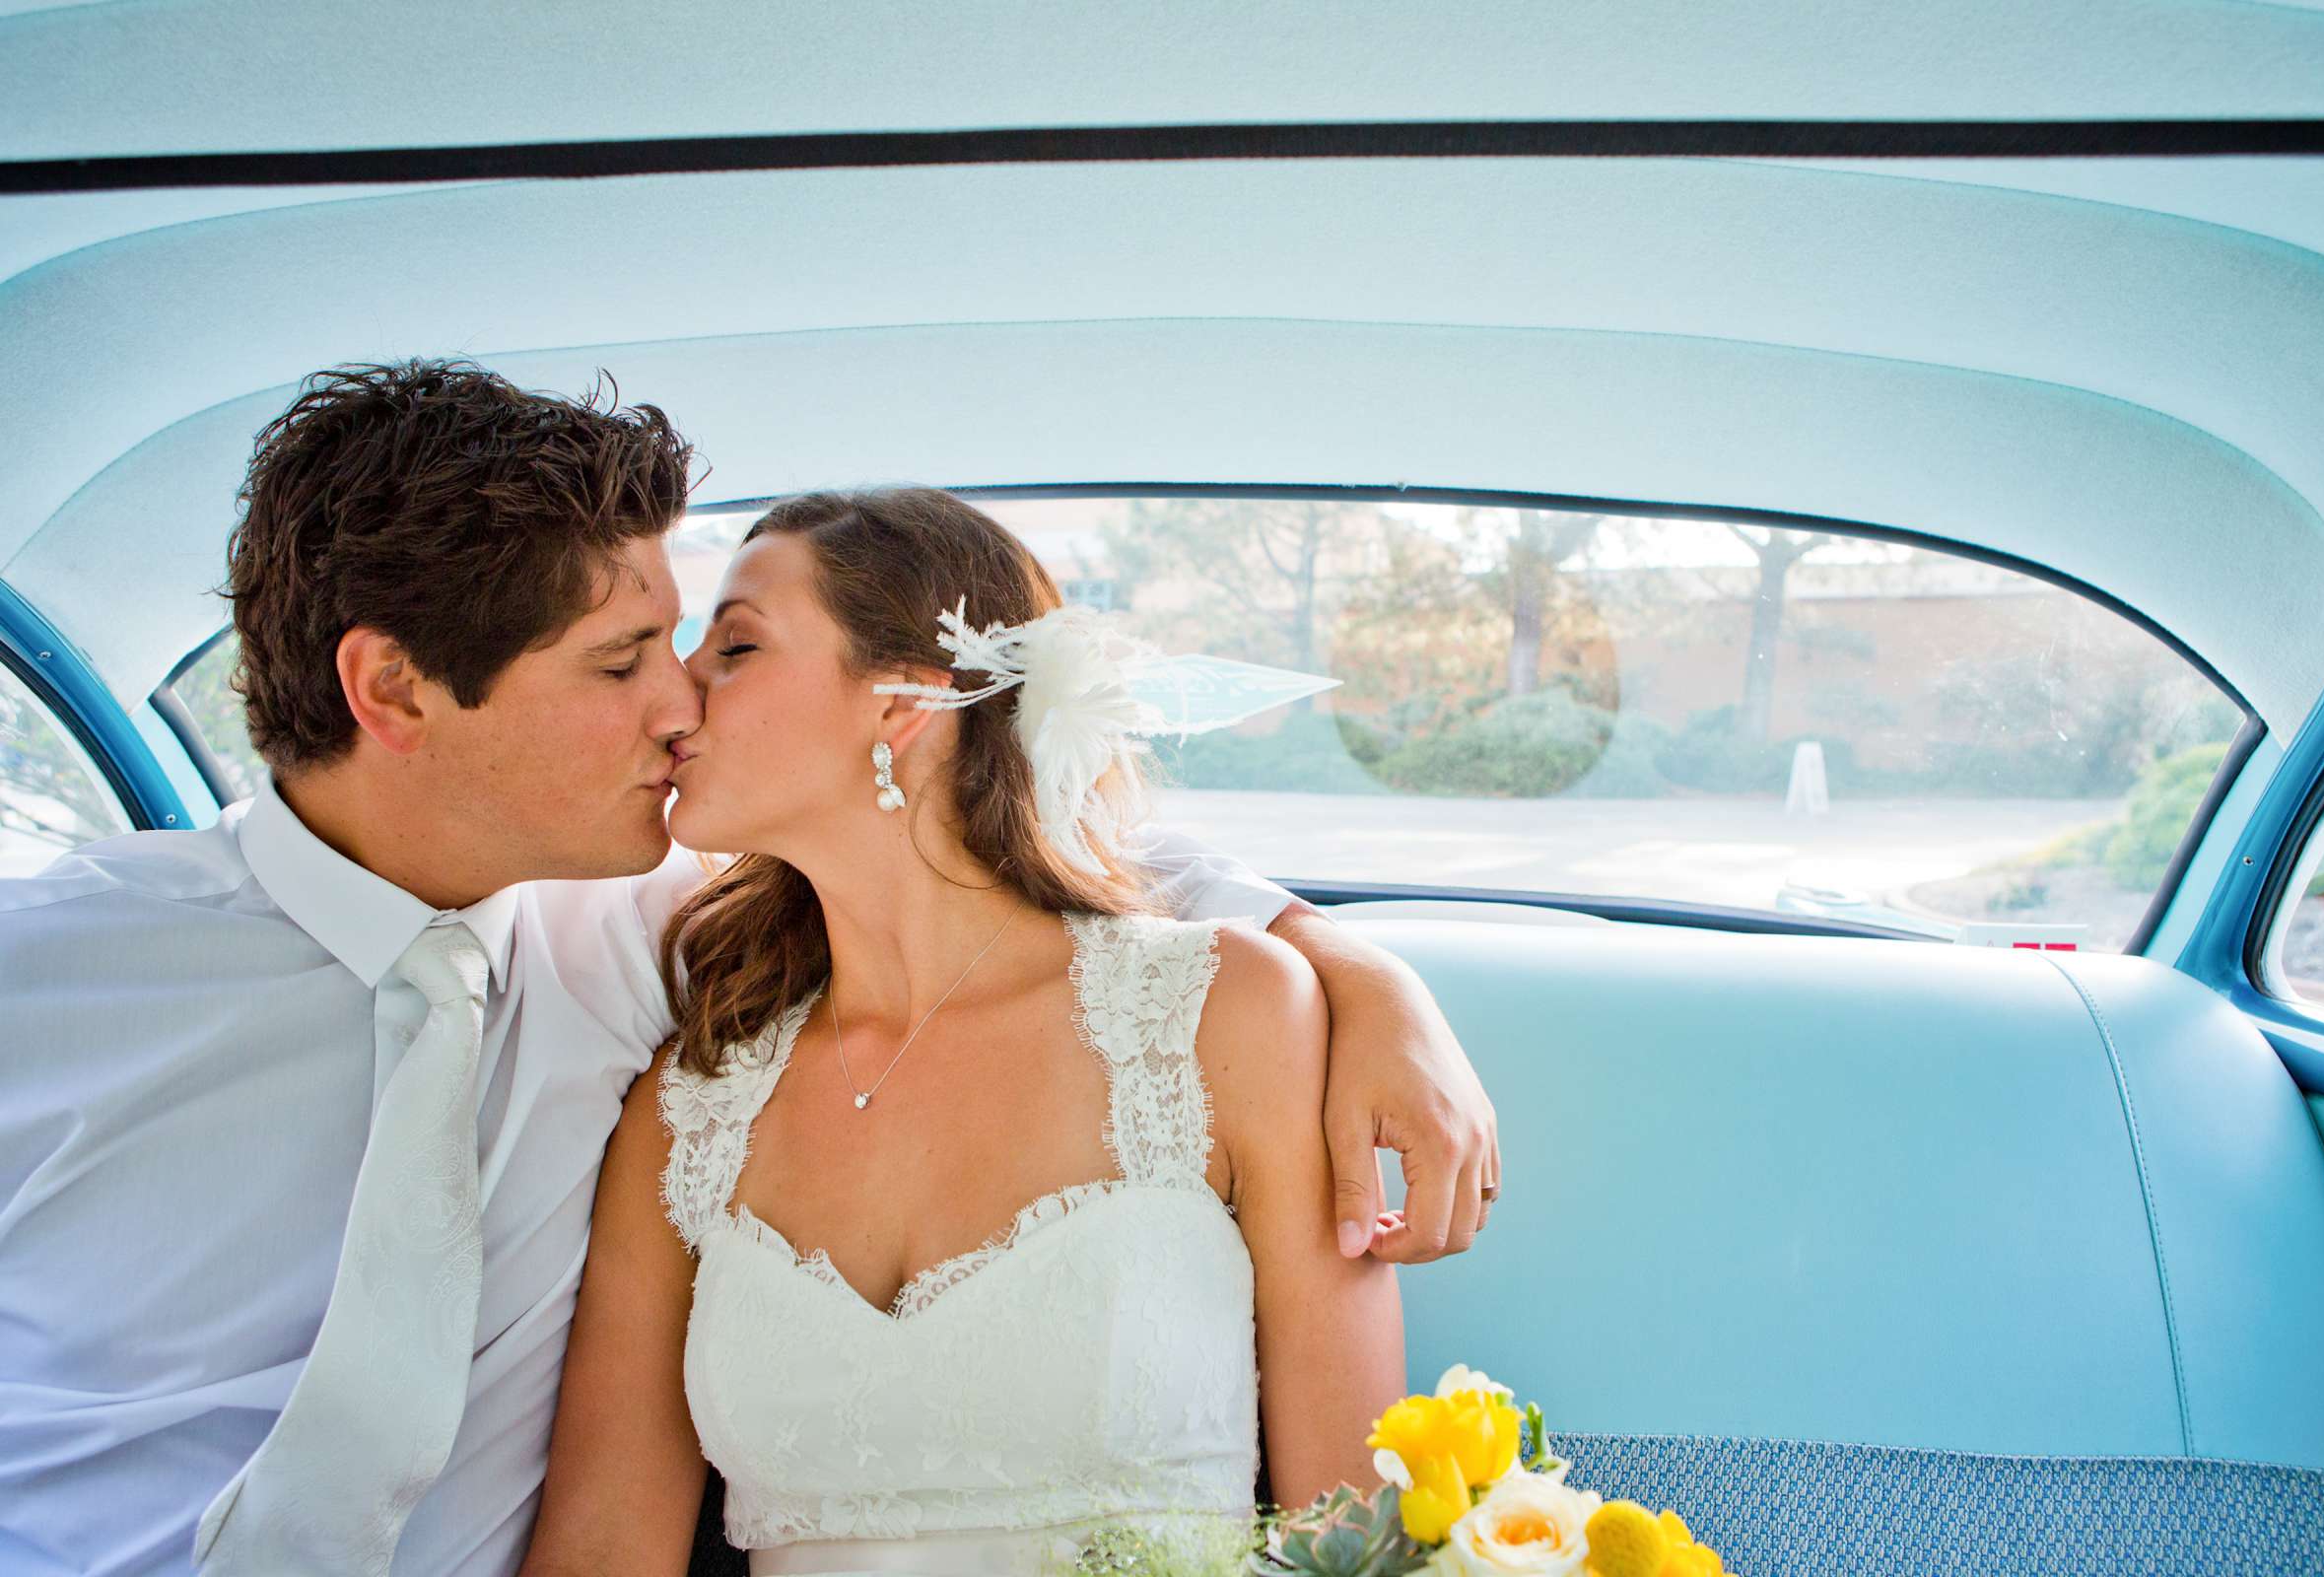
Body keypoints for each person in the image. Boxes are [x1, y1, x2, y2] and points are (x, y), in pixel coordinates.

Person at [0, 363, 1499, 1577]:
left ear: (901, 707)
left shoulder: (634, 930)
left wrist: (1365, 975)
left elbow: (1035, 886)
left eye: (713, 645)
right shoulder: (50, 973)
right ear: (392, 688)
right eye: (625, 661)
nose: (677, 710)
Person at [518, 491, 1407, 1575]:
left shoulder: (1231, 1015)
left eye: (736, 645)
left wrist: (1380, 982)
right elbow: (600, 1550)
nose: (678, 687)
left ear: (905, 708)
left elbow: (1359, 1537)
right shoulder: (688, 1105)